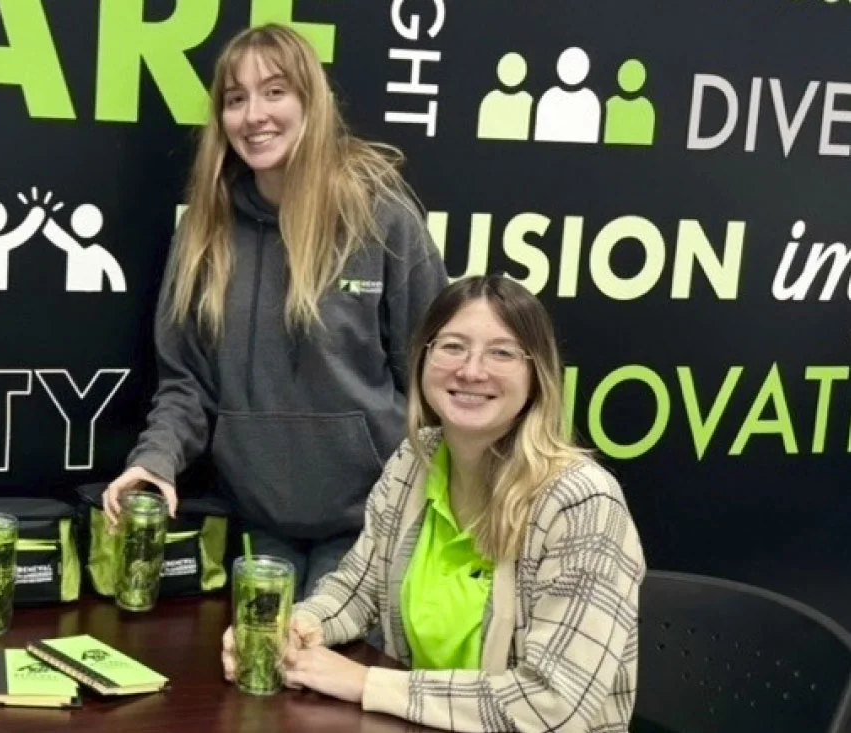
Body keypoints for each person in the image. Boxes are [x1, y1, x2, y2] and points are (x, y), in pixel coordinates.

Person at [103, 23, 447, 600]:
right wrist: (156, 462)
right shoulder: (204, 231)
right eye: (235, 99)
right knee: (260, 677)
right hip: (256, 525)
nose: (254, 114)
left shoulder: (382, 217)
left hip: (372, 525)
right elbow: (186, 385)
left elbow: (433, 376)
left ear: (311, 101)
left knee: (333, 678)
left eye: (275, 91)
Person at [220, 275, 645, 731]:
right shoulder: (416, 459)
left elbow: (552, 702)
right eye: (452, 347)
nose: (471, 370)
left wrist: (368, 684)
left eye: (501, 353)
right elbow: (359, 588)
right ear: (423, 357)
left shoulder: (582, 504)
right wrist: (296, 629)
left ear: (536, 375)